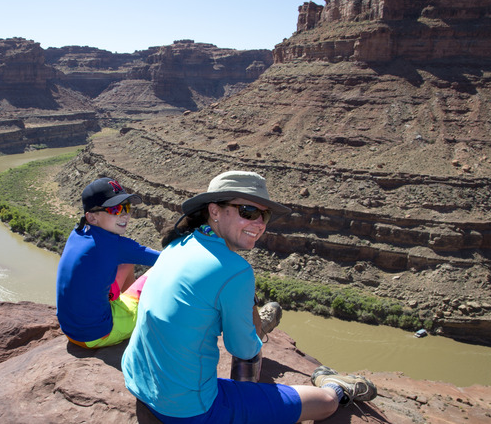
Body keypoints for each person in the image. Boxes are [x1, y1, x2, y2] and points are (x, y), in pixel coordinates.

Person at [121, 171, 377, 423]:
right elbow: (243, 349)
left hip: (140, 383)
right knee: (324, 404)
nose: (260, 223)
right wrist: (249, 320)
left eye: (264, 215)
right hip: (187, 410)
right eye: (248, 212)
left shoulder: (178, 243)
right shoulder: (234, 270)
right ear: (215, 211)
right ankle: (336, 386)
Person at [56, 177, 160, 349]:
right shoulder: (114, 245)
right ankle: (132, 316)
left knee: (126, 263)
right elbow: (168, 259)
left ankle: (121, 306)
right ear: (91, 217)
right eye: (115, 208)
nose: (124, 215)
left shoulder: (78, 232)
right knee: (156, 274)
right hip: (98, 334)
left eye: (126, 208)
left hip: (70, 330)